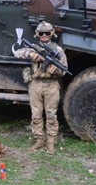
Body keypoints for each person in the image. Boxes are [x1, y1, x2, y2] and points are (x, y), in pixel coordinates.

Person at [15, 21, 68, 155]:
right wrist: (31, 55)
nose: (44, 36)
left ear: (52, 34)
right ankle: (39, 140)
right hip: (36, 84)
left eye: (47, 33)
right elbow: (18, 52)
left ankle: (50, 142)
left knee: (51, 115)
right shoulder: (34, 48)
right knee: (36, 114)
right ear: (37, 35)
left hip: (51, 85)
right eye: (41, 33)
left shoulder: (58, 50)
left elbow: (64, 70)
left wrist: (56, 70)